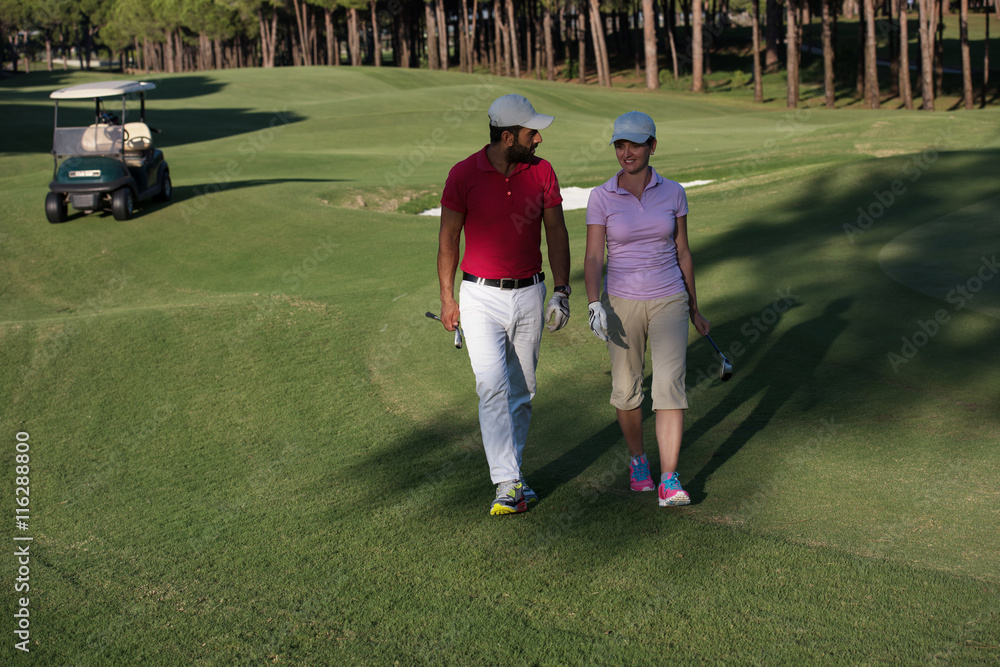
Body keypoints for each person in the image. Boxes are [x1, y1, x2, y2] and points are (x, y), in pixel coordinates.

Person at [437, 94, 571, 516]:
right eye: (533, 133)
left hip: (530, 292)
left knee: (522, 392)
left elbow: (557, 231)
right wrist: (446, 298)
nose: (539, 140)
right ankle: (507, 483)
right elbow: (447, 239)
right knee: (491, 386)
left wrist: (563, 290)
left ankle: (511, 474)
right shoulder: (463, 174)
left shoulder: (542, 171)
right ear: (508, 135)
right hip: (479, 296)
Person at [583, 111, 710, 507]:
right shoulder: (601, 196)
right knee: (626, 390)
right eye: (620, 145)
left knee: (670, 386)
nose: (626, 152)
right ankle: (639, 462)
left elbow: (683, 251)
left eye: (635, 144)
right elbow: (592, 258)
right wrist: (592, 303)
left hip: (669, 296)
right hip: (620, 302)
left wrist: (693, 306)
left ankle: (670, 479)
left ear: (652, 146)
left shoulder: (674, 192)